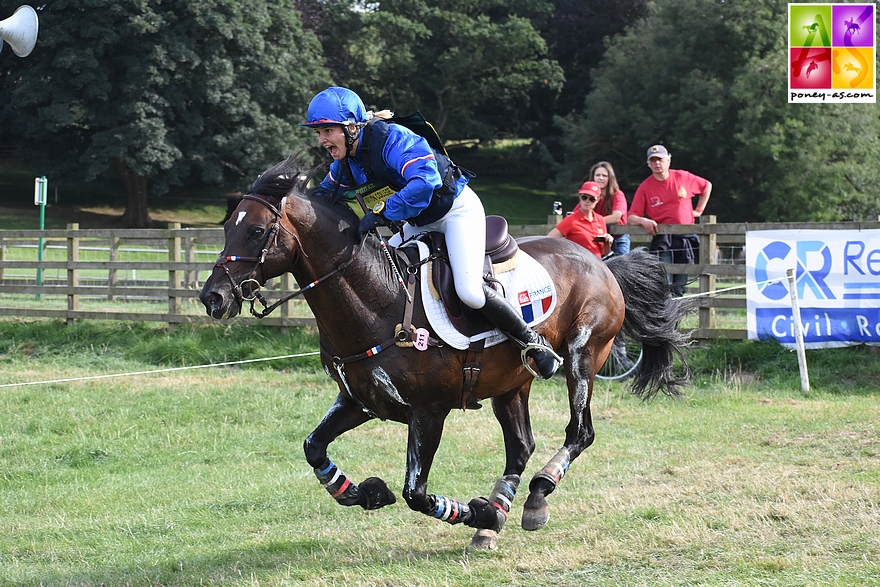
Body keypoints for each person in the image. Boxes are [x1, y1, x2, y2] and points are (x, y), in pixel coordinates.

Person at [300, 86, 561, 378]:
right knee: (387, 277)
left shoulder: (392, 140)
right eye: (318, 133)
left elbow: (425, 182)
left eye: (326, 131)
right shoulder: (345, 162)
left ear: (350, 127)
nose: (322, 139)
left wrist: (382, 212)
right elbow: (322, 197)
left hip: (455, 212)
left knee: (470, 292)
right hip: (420, 221)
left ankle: (533, 343)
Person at [627, 144, 712, 297]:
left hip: (685, 237)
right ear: (648, 164)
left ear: (668, 160)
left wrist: (699, 210)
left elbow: (707, 186)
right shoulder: (645, 187)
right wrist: (643, 221)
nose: (657, 163)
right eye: (653, 160)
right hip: (663, 239)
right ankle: (664, 318)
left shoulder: (682, 177)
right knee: (663, 284)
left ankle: (675, 318)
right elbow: (631, 217)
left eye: (660, 159)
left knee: (680, 286)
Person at [547, 181, 613, 259]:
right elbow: (548, 240)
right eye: (584, 197)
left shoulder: (600, 220)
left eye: (592, 199)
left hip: (598, 264)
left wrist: (608, 242)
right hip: (578, 265)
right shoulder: (571, 220)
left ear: (598, 200)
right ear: (580, 197)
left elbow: (603, 252)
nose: (587, 201)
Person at [589, 162, 630, 256]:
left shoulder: (618, 195)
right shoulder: (588, 197)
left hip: (619, 237)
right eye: (597, 175)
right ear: (593, 177)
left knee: (622, 268)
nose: (601, 178)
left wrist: (592, 222)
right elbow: (577, 214)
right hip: (598, 238)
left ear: (610, 178)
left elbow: (616, 217)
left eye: (604, 175)